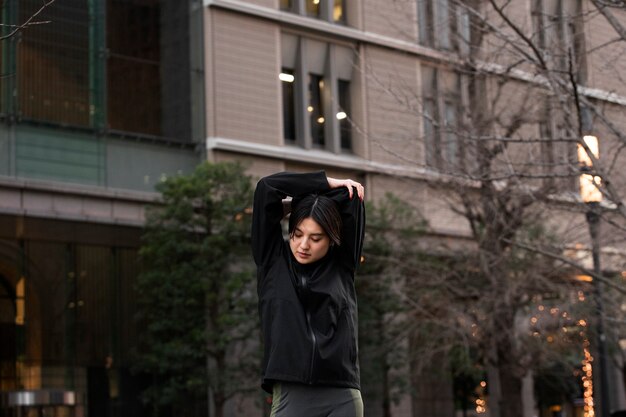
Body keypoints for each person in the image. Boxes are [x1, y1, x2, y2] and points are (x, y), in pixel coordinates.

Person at [251, 171, 366, 417]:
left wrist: (317, 200)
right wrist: (323, 184)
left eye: (315, 238)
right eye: (297, 234)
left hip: (342, 395)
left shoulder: (343, 265)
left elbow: (352, 199)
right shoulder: (271, 260)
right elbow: (267, 187)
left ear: (331, 239)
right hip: (292, 395)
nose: (303, 245)